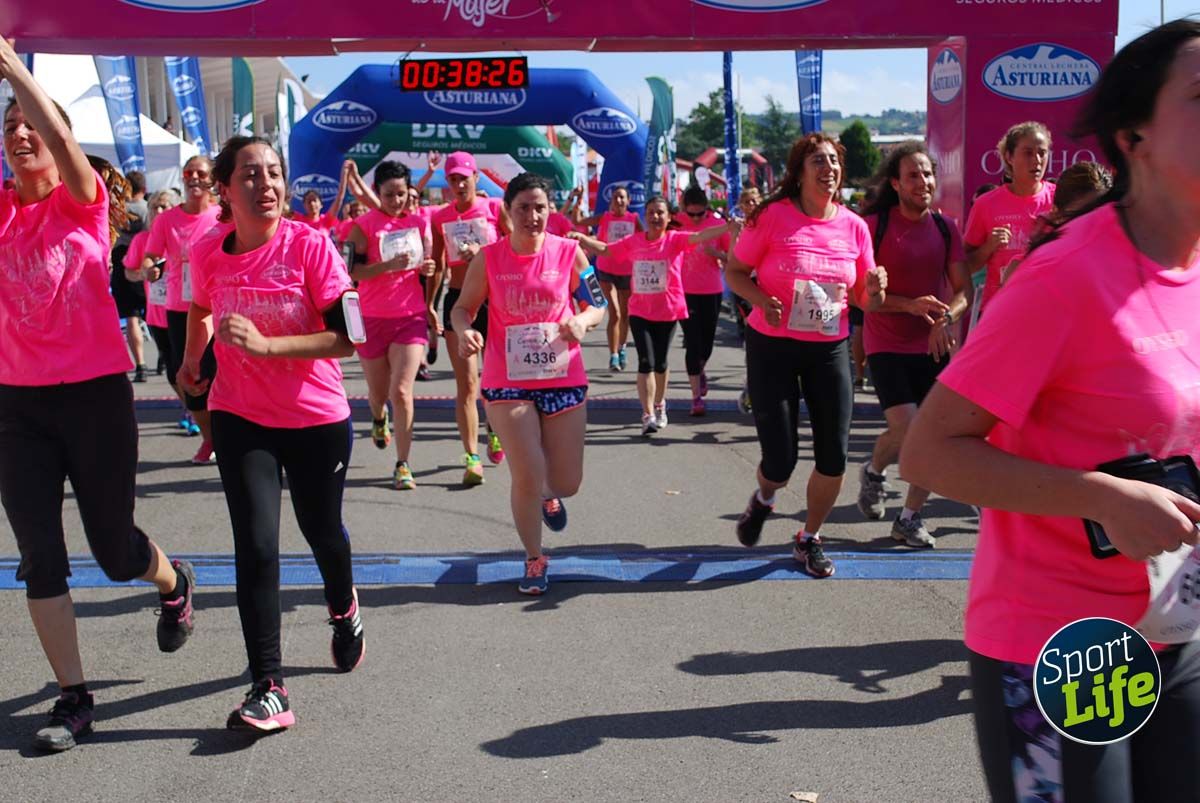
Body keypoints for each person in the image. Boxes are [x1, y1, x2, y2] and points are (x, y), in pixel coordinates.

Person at [902, 21, 1200, 802]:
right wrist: (1101, 497)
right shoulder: (1066, 275)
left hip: (1181, 626)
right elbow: (929, 453)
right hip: (1064, 644)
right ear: (1134, 135)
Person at [0, 41, 195, 752]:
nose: (23, 136)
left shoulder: (82, 204)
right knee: (40, 554)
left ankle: (173, 582)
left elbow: (59, 140)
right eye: (10, 127)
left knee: (114, 550)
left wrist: (16, 72)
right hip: (17, 407)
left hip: (94, 397)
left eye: (34, 126)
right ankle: (73, 696)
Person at [181, 135, 365, 732]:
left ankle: (343, 607)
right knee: (256, 545)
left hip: (315, 418)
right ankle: (269, 685)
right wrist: (192, 363)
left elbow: (349, 336)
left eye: (274, 174)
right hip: (241, 417)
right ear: (225, 190)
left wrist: (268, 345)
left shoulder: (313, 247)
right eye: (251, 176)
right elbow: (201, 308)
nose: (266, 186)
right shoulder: (209, 251)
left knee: (321, 532)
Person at [725, 134, 888, 578]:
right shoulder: (773, 217)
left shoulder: (854, 226)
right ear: (799, 172)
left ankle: (809, 538)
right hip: (772, 346)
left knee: (833, 455)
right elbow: (736, 272)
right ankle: (763, 498)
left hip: (829, 349)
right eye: (819, 160)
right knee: (779, 462)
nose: (829, 168)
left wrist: (873, 293)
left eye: (834, 160)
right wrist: (760, 299)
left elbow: (863, 298)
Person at [451, 173, 604, 595]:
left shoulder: (569, 252)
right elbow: (463, 309)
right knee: (527, 470)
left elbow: (599, 303)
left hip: (561, 374)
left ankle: (548, 496)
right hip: (507, 379)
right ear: (507, 211)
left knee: (566, 481)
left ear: (550, 209)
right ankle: (535, 557)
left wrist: (581, 320)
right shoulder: (489, 257)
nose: (532, 216)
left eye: (540, 207)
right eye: (523, 208)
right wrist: (464, 331)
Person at [855, 141, 972, 547]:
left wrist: (945, 317)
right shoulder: (874, 227)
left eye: (927, 174)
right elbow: (864, 297)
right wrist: (910, 305)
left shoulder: (945, 227)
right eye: (912, 175)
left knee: (931, 435)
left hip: (933, 346)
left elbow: (962, 292)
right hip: (885, 342)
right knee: (908, 430)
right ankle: (873, 469)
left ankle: (909, 516)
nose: (922, 182)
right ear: (896, 183)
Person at [571, 196, 737, 436]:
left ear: (669, 218)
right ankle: (647, 413)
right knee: (646, 362)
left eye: (660, 213)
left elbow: (700, 237)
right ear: (645, 216)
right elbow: (607, 249)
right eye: (651, 212)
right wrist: (583, 238)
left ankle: (660, 404)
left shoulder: (675, 240)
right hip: (640, 310)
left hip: (668, 310)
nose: (655, 217)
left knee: (660, 363)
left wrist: (727, 228)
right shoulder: (635, 241)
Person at [345, 160, 437, 489]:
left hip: (409, 317)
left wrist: (426, 271)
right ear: (378, 193)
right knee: (378, 393)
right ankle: (378, 417)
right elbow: (351, 273)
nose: (396, 201)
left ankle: (403, 464)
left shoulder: (419, 222)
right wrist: (385, 266)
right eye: (389, 195)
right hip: (370, 317)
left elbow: (429, 265)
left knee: (401, 390)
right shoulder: (362, 226)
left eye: (401, 194)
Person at [431, 151, 512, 484]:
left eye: (464, 177)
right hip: (458, 302)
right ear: (447, 183)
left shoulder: (494, 208)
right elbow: (436, 264)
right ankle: (472, 456)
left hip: (494, 302)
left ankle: (494, 430)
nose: (459, 184)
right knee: (466, 385)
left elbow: (515, 247)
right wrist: (429, 305)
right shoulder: (439, 217)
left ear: (476, 178)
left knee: (494, 379)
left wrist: (484, 253)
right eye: (453, 179)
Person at [142, 153, 222, 461]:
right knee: (187, 378)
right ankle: (209, 437)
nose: (195, 179)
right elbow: (151, 255)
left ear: (212, 180)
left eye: (202, 174)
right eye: (190, 173)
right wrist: (151, 268)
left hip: (217, 305)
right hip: (180, 308)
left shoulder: (221, 216)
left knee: (219, 375)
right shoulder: (167, 220)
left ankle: (226, 436)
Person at [963, 121, 1056, 314]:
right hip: (999, 312)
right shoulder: (986, 204)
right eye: (1028, 153)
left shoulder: (1060, 200)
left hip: (1048, 311)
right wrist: (988, 247)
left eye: (1042, 152)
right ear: (1009, 157)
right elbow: (965, 266)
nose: (1037, 160)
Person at [1000, 161, 1113, 285]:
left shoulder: (1121, 268)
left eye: (1100, 216)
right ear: (1056, 212)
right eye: (1080, 217)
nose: (1090, 226)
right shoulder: (1023, 270)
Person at [675, 185, 731, 417]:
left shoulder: (717, 225)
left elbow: (732, 256)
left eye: (701, 214)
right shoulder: (676, 222)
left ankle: (700, 370)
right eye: (692, 214)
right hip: (682, 291)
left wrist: (717, 255)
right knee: (692, 342)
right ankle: (696, 397)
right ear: (684, 209)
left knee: (706, 344)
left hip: (711, 290)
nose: (696, 219)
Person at [576, 186, 642, 371]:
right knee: (615, 313)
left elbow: (647, 238)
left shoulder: (634, 219)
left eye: (622, 198)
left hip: (627, 271)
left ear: (628, 201)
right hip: (606, 270)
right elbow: (578, 220)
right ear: (611, 201)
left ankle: (622, 348)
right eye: (615, 198)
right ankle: (613, 355)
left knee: (625, 314)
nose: (619, 201)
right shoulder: (604, 217)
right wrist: (578, 201)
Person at [124, 190, 177, 380]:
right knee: (173, 370)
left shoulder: (183, 236)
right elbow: (128, 272)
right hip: (157, 314)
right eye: (155, 207)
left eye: (164, 206)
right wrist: (144, 273)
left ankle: (192, 408)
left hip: (185, 310)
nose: (159, 211)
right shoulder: (141, 240)